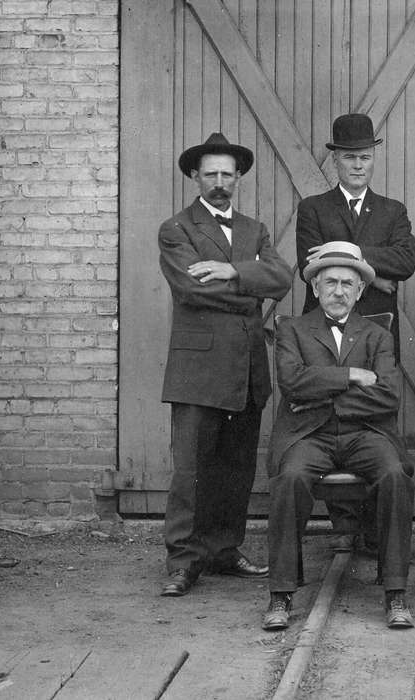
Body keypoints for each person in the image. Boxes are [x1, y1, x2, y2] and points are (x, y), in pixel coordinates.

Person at [158, 132, 292, 597]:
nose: (220, 182)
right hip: (198, 371)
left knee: (236, 468)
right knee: (192, 470)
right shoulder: (178, 229)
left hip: (248, 369)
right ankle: (183, 561)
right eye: (211, 174)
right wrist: (251, 289)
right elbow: (191, 290)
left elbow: (283, 278)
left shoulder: (254, 230)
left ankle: (223, 550)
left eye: (227, 174)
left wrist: (235, 271)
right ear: (195, 176)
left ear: (239, 178)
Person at [262, 242, 415, 631]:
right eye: (330, 282)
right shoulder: (292, 329)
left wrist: (327, 400)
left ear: (361, 290)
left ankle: (395, 589)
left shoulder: (376, 334)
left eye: (348, 283)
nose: (339, 291)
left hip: (366, 433)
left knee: (395, 474)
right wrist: (350, 377)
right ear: (314, 287)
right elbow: (293, 383)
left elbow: (389, 395)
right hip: (308, 435)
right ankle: (280, 593)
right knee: (291, 477)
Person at [295, 113, 415, 549]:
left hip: (376, 329)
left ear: (374, 158)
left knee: (374, 415)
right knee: (332, 407)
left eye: (365, 157)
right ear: (335, 161)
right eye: (349, 158)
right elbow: (304, 263)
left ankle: (372, 528)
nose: (358, 166)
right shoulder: (314, 208)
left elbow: (406, 262)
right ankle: (343, 523)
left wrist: (349, 255)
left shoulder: (391, 210)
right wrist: (373, 276)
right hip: (326, 332)